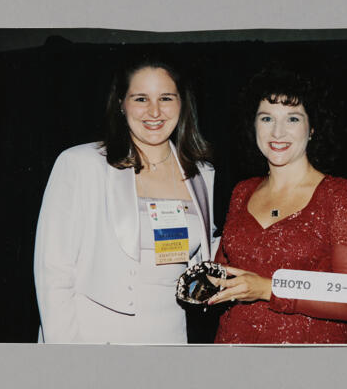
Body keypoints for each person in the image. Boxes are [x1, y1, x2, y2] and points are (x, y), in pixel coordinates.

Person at [34, 59, 218, 344]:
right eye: (141, 98)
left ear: (182, 104)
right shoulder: (81, 164)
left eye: (166, 98)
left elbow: (204, 252)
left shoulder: (202, 173)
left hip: (170, 334)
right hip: (94, 334)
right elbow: (53, 272)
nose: (154, 111)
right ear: (121, 104)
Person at [208, 68, 347, 344]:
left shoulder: (340, 195)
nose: (277, 131)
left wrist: (267, 289)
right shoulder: (242, 191)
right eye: (267, 118)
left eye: (292, 118)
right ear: (254, 125)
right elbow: (223, 269)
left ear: (312, 128)